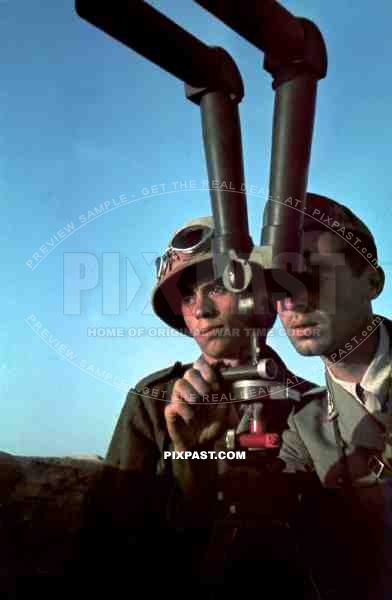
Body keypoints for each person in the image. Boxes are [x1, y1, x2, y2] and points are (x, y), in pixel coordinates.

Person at [102, 216, 322, 593]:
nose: (200, 309)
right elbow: (109, 537)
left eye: (218, 286)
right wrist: (189, 461)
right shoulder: (154, 401)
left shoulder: (313, 407)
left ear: (265, 300)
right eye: (187, 297)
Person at [275, 192, 391, 597]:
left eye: (316, 274)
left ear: (372, 282)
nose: (294, 299)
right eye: (279, 282)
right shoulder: (305, 428)